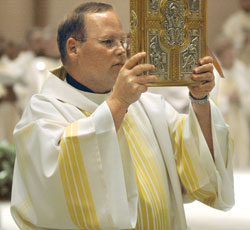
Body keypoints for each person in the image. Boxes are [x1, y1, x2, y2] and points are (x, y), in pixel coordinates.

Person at [11, 2, 234, 230]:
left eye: (123, 40)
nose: (122, 50)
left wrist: (199, 100)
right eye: (108, 42)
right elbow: (55, 185)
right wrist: (118, 103)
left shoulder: (147, 105)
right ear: (73, 48)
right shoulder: (45, 111)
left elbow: (196, 159)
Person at [215, 35, 250, 169]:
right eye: (228, 56)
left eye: (232, 55)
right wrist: (227, 100)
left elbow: (247, 93)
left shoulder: (240, 70)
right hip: (223, 122)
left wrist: (241, 98)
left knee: (242, 153)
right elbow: (211, 102)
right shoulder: (215, 73)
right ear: (221, 57)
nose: (231, 59)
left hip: (240, 120)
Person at [222, 0, 250, 68]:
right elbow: (224, 43)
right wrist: (242, 40)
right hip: (238, 64)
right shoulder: (233, 21)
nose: (247, 3)